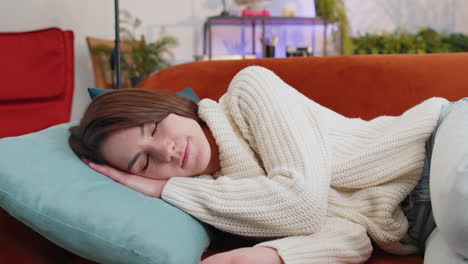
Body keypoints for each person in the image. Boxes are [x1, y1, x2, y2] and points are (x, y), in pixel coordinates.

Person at [69, 66, 468, 264]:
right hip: (424, 228)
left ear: (171, 106)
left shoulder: (249, 90)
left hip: (439, 143)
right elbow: (353, 234)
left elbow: (301, 203)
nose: (167, 151)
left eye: (155, 127)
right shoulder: (228, 203)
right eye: (144, 162)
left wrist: (166, 188)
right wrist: (272, 256)